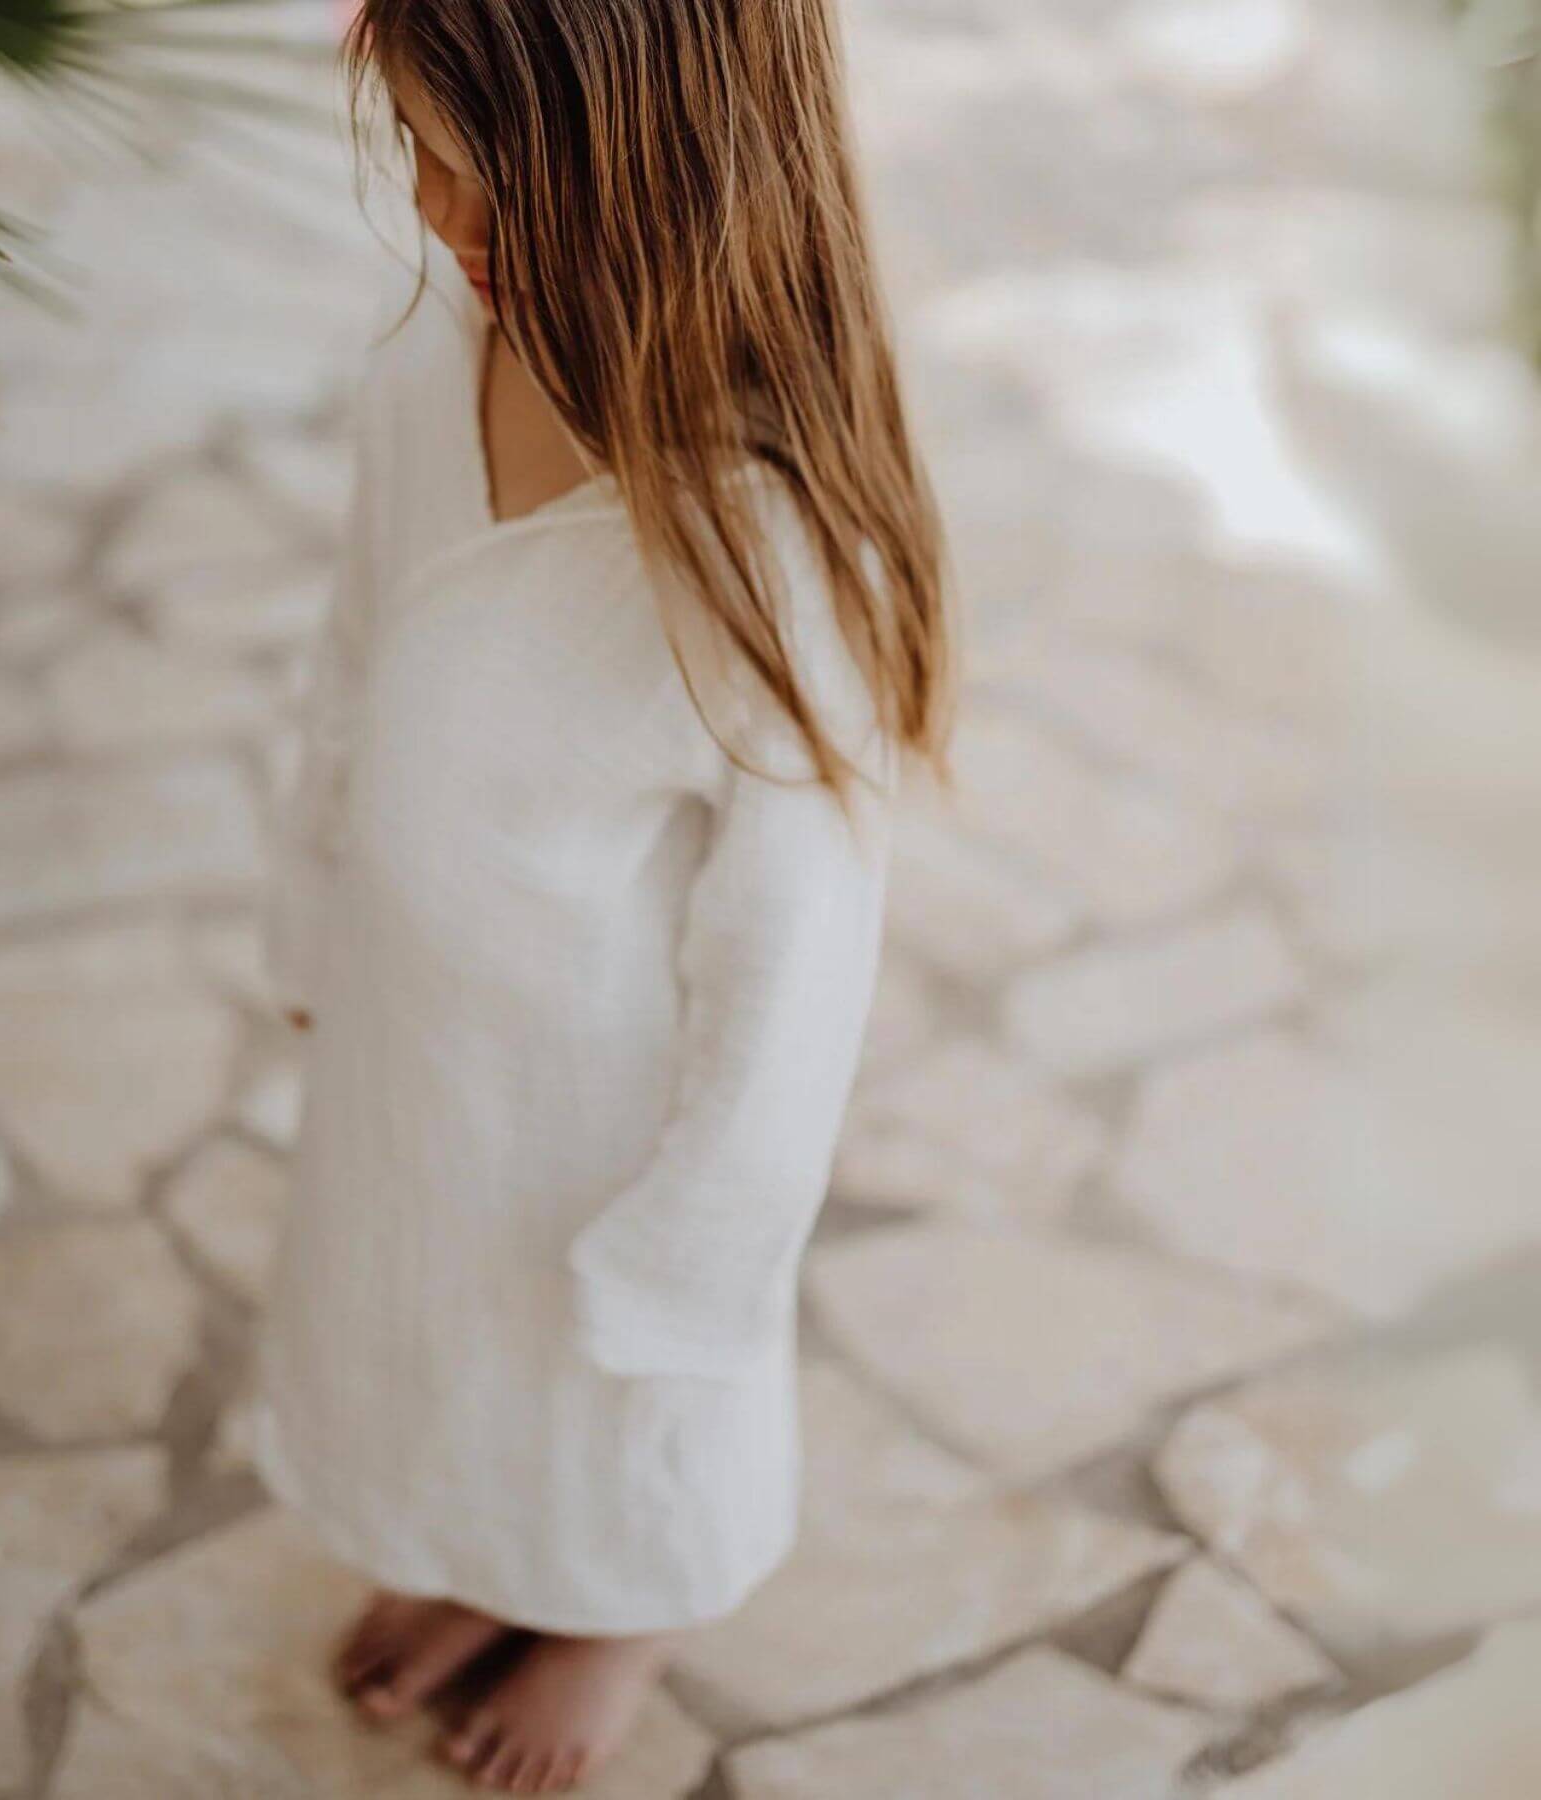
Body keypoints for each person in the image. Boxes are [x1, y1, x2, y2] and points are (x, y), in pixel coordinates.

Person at [252, 1, 958, 1789]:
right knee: (433, 1310)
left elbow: (790, 964)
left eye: (475, 174)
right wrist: (314, 911)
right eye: (417, 150)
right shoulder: (434, 371)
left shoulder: (766, 550)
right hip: (428, 1025)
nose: (431, 213)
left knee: (612, 1380)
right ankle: (492, 1557)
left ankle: (621, 1601)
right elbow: (350, 660)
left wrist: (702, 1233)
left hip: (610, 1096)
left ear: (648, 176)